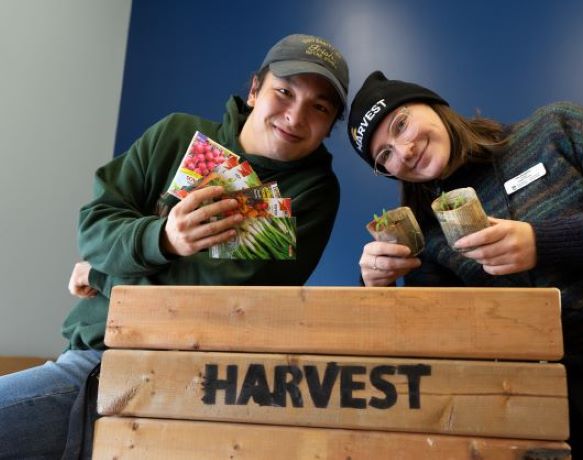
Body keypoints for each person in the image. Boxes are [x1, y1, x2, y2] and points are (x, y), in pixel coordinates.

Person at [0, 33, 349, 458]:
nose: (295, 116)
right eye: (284, 91)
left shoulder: (311, 191)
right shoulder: (176, 134)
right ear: (255, 89)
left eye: (320, 107)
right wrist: (162, 238)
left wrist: (102, 274)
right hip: (98, 355)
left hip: (195, 380)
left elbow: (223, 300)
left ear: (331, 125)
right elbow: (94, 227)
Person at [347, 70, 583, 459]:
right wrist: (375, 288)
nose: (403, 151)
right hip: (552, 401)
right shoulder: (429, 232)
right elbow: (439, 351)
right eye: (384, 156)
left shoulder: (556, 129)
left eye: (401, 124)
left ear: (434, 105)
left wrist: (543, 241)